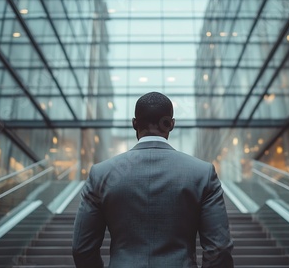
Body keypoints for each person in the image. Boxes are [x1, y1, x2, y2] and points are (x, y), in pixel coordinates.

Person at [72, 92, 234, 267]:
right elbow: (219, 248)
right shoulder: (202, 173)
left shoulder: (100, 174)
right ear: (171, 124)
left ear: (134, 124)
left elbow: (82, 248)